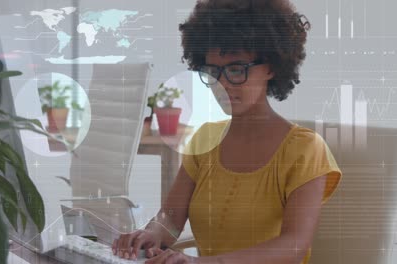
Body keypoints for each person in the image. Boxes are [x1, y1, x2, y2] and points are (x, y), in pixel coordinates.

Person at [112, 0, 342, 263]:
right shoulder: (206, 139)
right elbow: (171, 219)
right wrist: (150, 234)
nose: (221, 83)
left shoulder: (305, 149)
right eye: (211, 71)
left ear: (272, 66)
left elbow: (294, 246)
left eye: (235, 69)